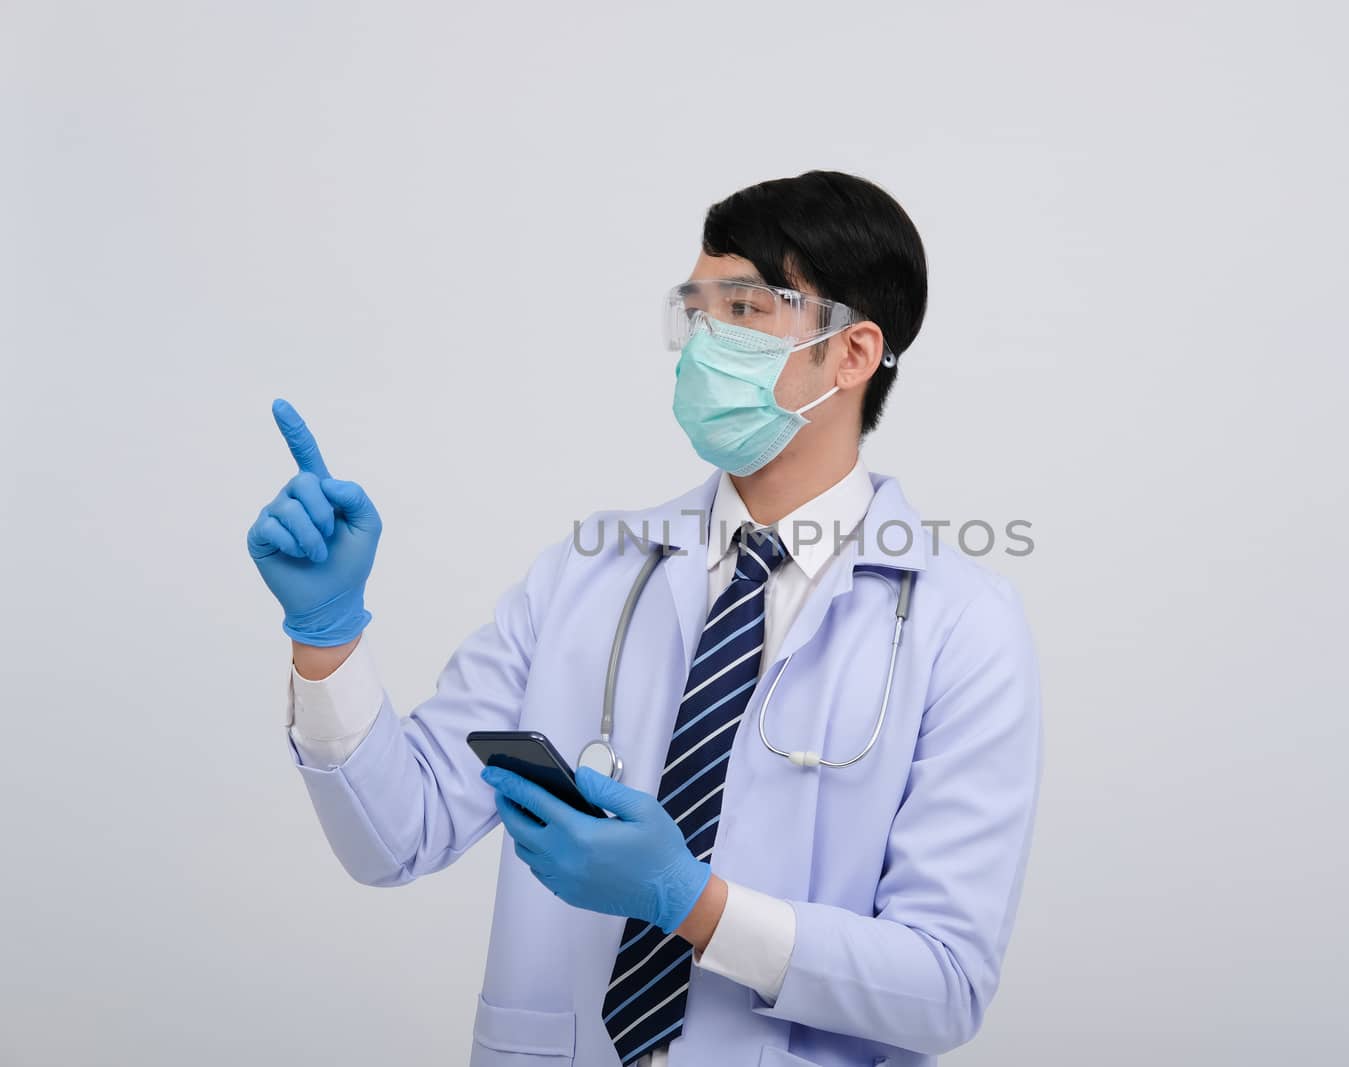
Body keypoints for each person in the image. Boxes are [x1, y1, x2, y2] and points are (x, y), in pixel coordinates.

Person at [247, 170, 1042, 1067]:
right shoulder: (587, 573)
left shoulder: (962, 626)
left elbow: (944, 985)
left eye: (743, 311)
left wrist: (692, 903)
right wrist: (327, 638)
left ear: (853, 354)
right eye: (694, 312)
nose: (704, 344)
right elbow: (398, 834)